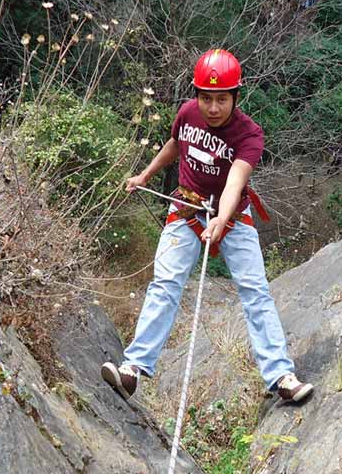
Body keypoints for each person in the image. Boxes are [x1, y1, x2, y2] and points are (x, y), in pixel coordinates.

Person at [101, 49, 314, 404]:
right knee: (165, 284)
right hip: (186, 204)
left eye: (221, 99)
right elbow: (175, 144)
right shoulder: (187, 113)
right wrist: (145, 174)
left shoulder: (249, 134)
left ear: (235, 97)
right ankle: (132, 370)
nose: (212, 108)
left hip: (232, 213)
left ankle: (280, 376)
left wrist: (220, 218)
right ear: (196, 94)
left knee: (254, 290)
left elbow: (235, 182)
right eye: (206, 98)